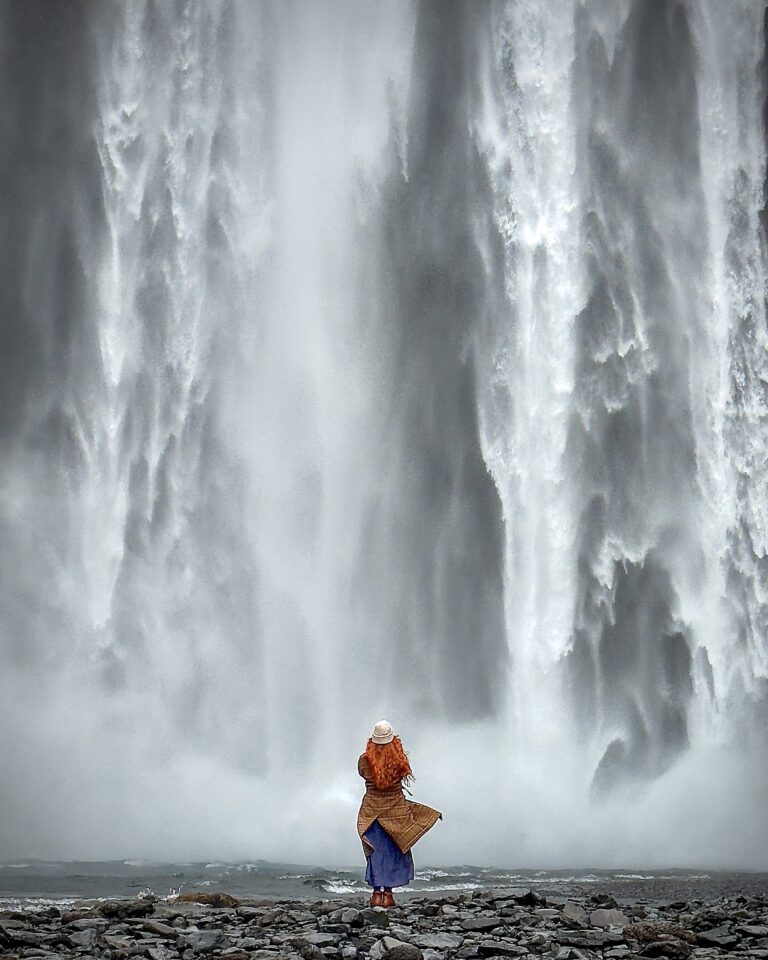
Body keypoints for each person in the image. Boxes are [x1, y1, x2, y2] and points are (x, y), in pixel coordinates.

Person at [357, 720, 442, 908]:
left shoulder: (364, 760)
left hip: (371, 810)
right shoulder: (399, 760)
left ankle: (376, 894)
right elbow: (401, 778)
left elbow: (363, 775)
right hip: (396, 810)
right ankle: (388, 894)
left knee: (376, 852)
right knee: (394, 850)